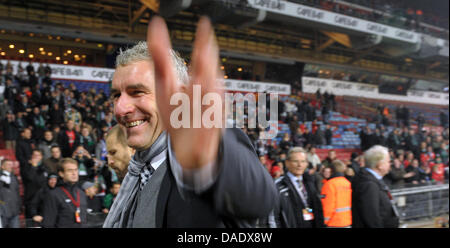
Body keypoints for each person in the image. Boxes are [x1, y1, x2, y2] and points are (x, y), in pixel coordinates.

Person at [103, 17, 277, 228]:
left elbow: (256, 199)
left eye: (137, 92)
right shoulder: (137, 172)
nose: (120, 108)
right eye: (116, 95)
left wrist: (208, 164)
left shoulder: (205, 153)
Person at [272, 147, 324, 228]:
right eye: (296, 161)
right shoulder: (278, 186)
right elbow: (273, 217)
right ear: (287, 163)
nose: (300, 165)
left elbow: (310, 207)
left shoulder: (310, 182)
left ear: (307, 163)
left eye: (303, 161)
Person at [352, 145, 399, 228]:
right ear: (380, 165)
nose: (390, 164)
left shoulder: (374, 181)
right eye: (388, 161)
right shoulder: (368, 184)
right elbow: (371, 218)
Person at [42, 158, 88, 228]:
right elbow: (48, 223)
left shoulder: (81, 193)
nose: (74, 173)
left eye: (76, 170)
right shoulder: (53, 194)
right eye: (70, 170)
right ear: (61, 174)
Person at [320, 160, 352, 228]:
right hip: (348, 221)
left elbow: (328, 206)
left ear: (331, 170)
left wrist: (324, 222)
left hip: (334, 223)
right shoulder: (348, 183)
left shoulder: (329, 184)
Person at [0, 159, 21, 228]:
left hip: (14, 210)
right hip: (3, 212)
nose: (10, 166)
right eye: (8, 164)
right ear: (2, 166)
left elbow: (17, 193)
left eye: (11, 164)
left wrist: (19, 206)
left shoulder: (14, 177)